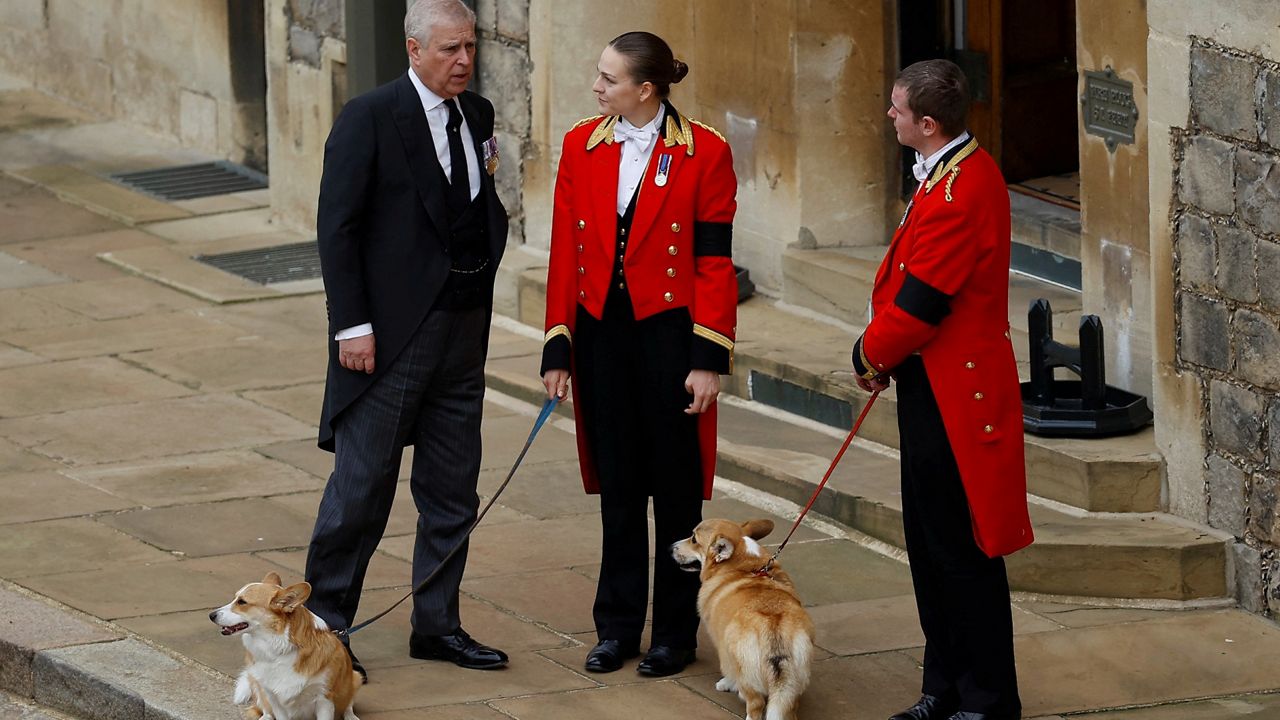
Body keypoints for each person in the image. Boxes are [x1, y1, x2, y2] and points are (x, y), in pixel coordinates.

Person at [307, 0, 510, 676]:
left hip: (462, 334)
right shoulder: (369, 117)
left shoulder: (476, 116)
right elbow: (337, 227)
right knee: (361, 488)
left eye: (471, 48)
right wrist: (353, 326)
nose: (463, 61)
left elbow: (486, 211)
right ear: (414, 49)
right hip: (389, 340)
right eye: (450, 49)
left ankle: (438, 623)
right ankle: (324, 627)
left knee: (454, 491)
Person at [539, 31, 738, 678]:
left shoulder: (705, 151)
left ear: (644, 89)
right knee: (619, 487)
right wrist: (558, 347)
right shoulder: (580, 144)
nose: (597, 88)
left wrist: (709, 358)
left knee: (677, 495)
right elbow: (565, 254)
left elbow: (713, 263)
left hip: (671, 340)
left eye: (608, 79)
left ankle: (675, 635)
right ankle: (617, 627)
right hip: (602, 337)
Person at [850, 59, 1033, 720]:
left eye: (897, 109)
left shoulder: (960, 191)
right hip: (931, 382)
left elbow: (923, 303)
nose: (889, 116)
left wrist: (868, 352)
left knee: (962, 552)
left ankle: (986, 700)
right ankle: (945, 687)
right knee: (931, 546)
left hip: (958, 394)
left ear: (927, 124)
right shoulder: (948, 172)